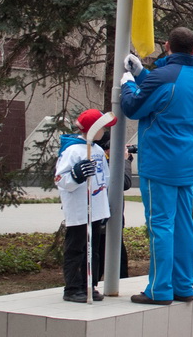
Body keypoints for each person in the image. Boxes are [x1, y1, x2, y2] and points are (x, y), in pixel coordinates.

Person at [121, 27, 193, 305]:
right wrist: (141, 75)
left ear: (167, 45)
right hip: (186, 163)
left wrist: (128, 83)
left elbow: (134, 107)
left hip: (159, 162)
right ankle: (184, 286)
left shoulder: (162, 77)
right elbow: (169, 94)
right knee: (184, 225)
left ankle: (159, 290)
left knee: (160, 225)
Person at [55, 109, 116, 302]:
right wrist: (76, 174)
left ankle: (89, 284)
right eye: (102, 128)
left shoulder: (97, 150)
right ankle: (72, 288)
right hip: (80, 209)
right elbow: (60, 179)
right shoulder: (72, 151)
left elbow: (104, 179)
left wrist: (105, 206)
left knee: (94, 249)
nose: (105, 132)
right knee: (77, 249)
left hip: (96, 209)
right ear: (92, 129)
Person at [96, 131, 133, 279]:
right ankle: (96, 287)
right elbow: (123, 183)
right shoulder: (103, 163)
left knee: (117, 260)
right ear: (106, 149)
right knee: (111, 260)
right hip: (105, 222)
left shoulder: (107, 161)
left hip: (111, 221)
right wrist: (125, 161)